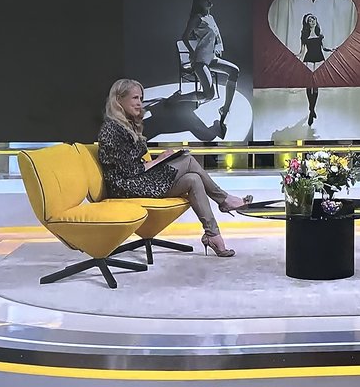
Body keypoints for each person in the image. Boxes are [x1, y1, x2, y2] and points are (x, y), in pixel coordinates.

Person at [97, 79, 251, 257]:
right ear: (119, 99)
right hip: (124, 187)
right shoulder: (111, 129)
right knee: (187, 160)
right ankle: (224, 200)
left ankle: (213, 235)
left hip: (135, 181)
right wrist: (158, 161)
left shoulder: (127, 124)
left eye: (141, 98)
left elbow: (132, 164)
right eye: (135, 98)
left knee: (193, 179)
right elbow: (127, 171)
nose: (139, 103)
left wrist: (158, 160)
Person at [182, 0, 241, 128]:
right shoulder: (196, 18)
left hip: (211, 58)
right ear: (199, 1)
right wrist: (191, 52)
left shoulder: (210, 17)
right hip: (200, 60)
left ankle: (225, 110)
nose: (209, 0)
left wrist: (217, 47)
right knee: (208, 95)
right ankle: (179, 99)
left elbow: (215, 36)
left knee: (234, 71)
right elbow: (184, 37)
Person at [295, 13, 330, 125]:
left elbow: (324, 48)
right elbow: (302, 52)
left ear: (316, 20)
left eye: (313, 19)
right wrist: (294, 57)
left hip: (319, 59)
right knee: (309, 85)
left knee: (316, 86)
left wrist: (332, 49)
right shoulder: (304, 36)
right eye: (310, 20)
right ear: (307, 23)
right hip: (309, 60)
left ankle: (311, 110)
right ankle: (311, 109)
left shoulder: (320, 35)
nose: (312, 21)